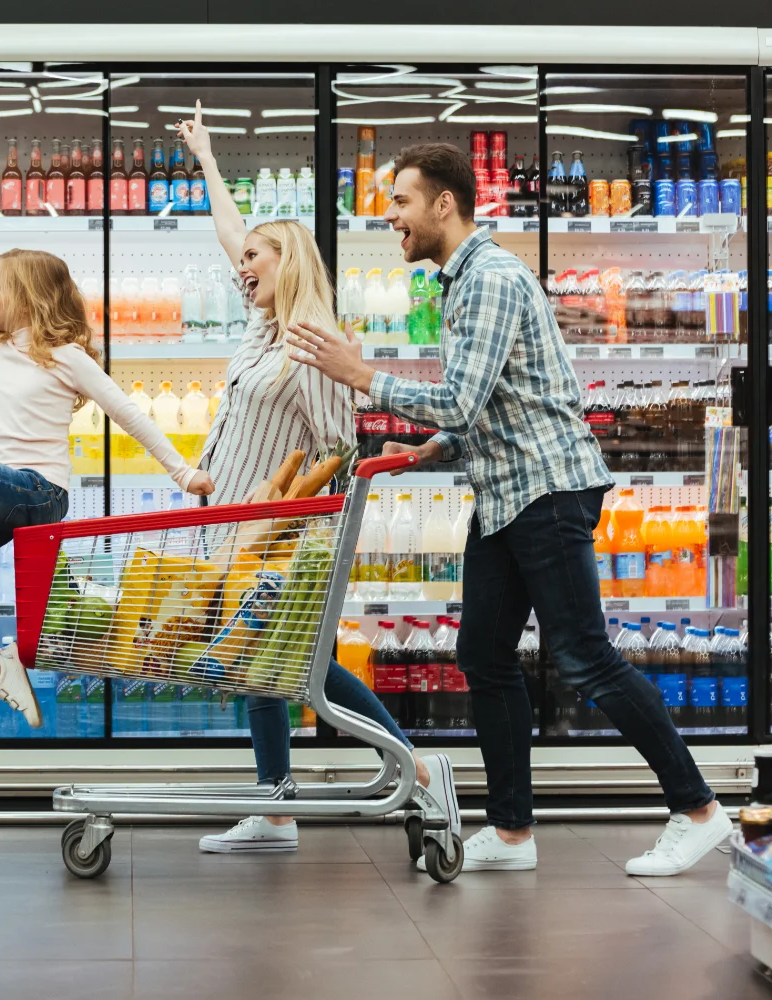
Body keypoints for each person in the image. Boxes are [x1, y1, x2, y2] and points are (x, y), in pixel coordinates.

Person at [284, 142, 731, 876]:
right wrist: (444, 448)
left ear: (443, 204)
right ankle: (512, 831)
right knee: (483, 654)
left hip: (544, 489)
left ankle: (698, 808)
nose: (388, 215)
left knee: (584, 656)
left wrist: (361, 375)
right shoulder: (459, 282)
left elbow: (463, 396)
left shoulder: (487, 277)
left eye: (400, 202)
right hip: (505, 489)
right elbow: (491, 406)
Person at [175, 104, 459, 854]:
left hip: (278, 537)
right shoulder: (262, 327)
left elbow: (337, 446)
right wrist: (207, 158)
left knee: (297, 669)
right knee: (274, 668)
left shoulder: (313, 339)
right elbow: (234, 236)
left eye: (254, 261)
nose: (240, 268)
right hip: (231, 523)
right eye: (240, 262)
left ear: (288, 264)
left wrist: (279, 516)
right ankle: (281, 807)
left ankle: (407, 772)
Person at [0, 192, 214, 728]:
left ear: (26, 297)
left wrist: (182, 471)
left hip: (36, 494)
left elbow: (128, 412)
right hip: (0, 500)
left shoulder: (66, 357)